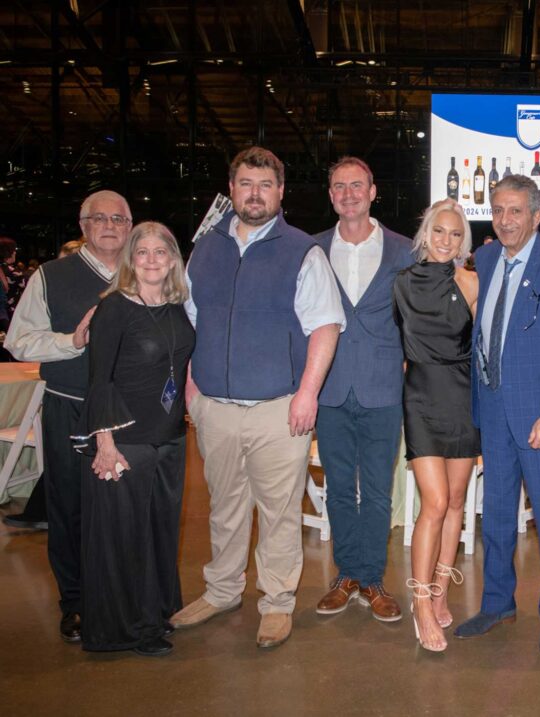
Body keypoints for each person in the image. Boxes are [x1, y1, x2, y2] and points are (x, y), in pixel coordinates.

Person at [171, 147, 343, 649]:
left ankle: (276, 603)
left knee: (278, 511)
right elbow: (190, 320)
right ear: (232, 189)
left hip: (277, 409)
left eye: (265, 185)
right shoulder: (205, 249)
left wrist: (307, 394)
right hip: (215, 409)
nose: (254, 194)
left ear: (281, 192)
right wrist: (191, 388)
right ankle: (222, 590)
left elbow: (325, 327)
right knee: (223, 507)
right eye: (245, 183)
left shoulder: (302, 251)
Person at [454, 175, 540, 658]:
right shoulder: (486, 259)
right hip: (491, 411)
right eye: (498, 210)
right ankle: (497, 603)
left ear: (537, 215)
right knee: (495, 517)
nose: (506, 220)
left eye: (516, 211)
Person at [3, 190, 132, 641]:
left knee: (127, 510)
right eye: (100, 218)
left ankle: (124, 597)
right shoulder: (51, 277)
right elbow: (20, 341)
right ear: (83, 225)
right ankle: (75, 601)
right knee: (71, 510)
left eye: (120, 218)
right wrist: (70, 342)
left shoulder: (148, 271)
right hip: (69, 404)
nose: (111, 225)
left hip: (131, 415)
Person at [71, 222, 195, 657]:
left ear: (173, 259)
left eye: (161, 251)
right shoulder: (114, 308)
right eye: (142, 252)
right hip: (127, 441)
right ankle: (128, 630)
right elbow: (98, 380)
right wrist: (105, 444)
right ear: (130, 259)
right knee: (127, 539)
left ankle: (156, 612)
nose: (151, 260)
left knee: (160, 532)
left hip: (171, 439)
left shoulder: (176, 305)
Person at [312, 157, 414, 624]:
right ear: (331, 195)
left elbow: (419, 318)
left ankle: (371, 578)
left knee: (375, 491)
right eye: (339, 186)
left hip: (382, 389)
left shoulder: (405, 250)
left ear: (373, 191)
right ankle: (346, 574)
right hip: (328, 388)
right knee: (336, 490)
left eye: (357, 185)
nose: (349, 193)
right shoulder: (310, 250)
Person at [393, 199, 479, 652]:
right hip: (421, 397)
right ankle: (421, 603)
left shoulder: (470, 282)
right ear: (426, 233)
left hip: (464, 398)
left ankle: (442, 588)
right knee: (436, 501)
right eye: (439, 232)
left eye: (454, 234)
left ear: (462, 240)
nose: (446, 241)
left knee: (458, 500)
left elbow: (490, 344)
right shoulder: (401, 285)